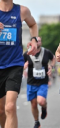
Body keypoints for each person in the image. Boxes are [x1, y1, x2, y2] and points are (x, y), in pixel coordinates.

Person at [0, 0, 38, 128]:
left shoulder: (22, 11)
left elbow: (33, 24)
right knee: (1, 111)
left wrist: (34, 40)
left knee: (10, 107)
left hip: (14, 63)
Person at [23, 36, 56, 128]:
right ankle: (37, 122)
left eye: (40, 41)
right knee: (33, 104)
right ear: (32, 42)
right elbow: (20, 64)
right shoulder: (27, 54)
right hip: (31, 82)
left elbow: (53, 58)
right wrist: (24, 66)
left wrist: (51, 66)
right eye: (36, 41)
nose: (38, 43)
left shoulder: (46, 52)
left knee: (41, 101)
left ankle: (44, 107)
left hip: (43, 82)